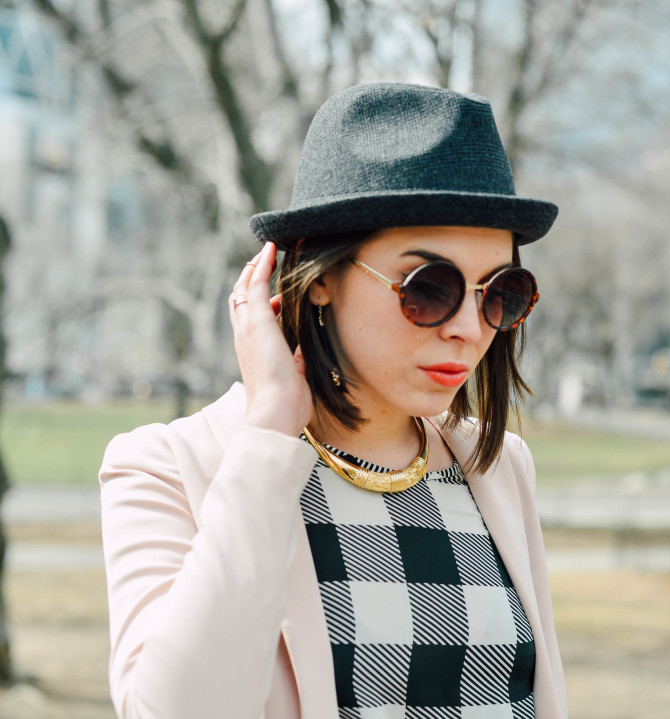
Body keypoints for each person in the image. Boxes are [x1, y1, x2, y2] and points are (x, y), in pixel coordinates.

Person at [100, 82, 567, 719]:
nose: (468, 327)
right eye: (430, 287)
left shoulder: (500, 467)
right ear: (320, 278)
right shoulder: (168, 467)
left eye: (500, 292)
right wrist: (269, 433)